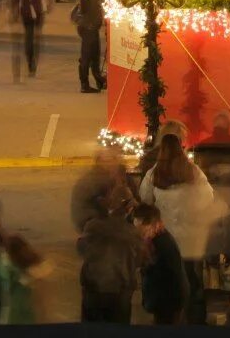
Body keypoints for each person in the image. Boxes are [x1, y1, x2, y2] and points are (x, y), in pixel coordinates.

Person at [139, 134, 216, 321]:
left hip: (166, 241)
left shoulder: (154, 173)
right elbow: (209, 197)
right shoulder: (193, 171)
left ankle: (169, 323)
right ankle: (195, 323)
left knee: (168, 283)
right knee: (193, 282)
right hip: (191, 239)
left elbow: (145, 199)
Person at [77, 191, 143, 323]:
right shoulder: (132, 232)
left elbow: (81, 249)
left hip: (94, 288)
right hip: (120, 291)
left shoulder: (92, 226)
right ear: (128, 209)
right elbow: (140, 259)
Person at [133, 203, 188, 325]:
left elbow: (171, 276)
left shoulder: (163, 243)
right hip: (164, 300)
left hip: (169, 302)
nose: (139, 233)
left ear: (152, 224)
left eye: (141, 228)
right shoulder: (155, 238)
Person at [9, 0, 47, 77]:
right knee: (35, 38)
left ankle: (31, 63)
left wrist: (14, 10)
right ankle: (32, 63)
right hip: (36, 11)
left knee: (29, 37)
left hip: (28, 12)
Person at [71, 0, 105, 92]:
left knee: (95, 56)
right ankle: (84, 84)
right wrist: (87, 24)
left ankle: (99, 80)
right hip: (89, 29)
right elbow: (80, 13)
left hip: (92, 29)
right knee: (86, 57)